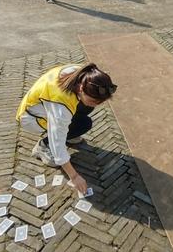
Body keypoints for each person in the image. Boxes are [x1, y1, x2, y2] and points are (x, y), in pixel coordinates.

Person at [16, 63, 117, 195]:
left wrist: (91, 101)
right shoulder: (60, 107)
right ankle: (43, 146)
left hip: (43, 105)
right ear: (81, 88)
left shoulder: (84, 75)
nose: (97, 105)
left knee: (87, 107)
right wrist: (74, 177)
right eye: (94, 100)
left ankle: (69, 131)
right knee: (84, 124)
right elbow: (57, 141)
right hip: (31, 119)